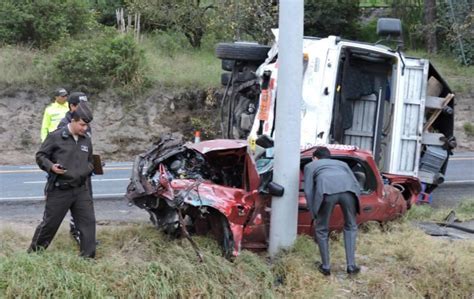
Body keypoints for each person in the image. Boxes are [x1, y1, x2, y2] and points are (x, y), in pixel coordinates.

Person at [28, 102, 96, 258]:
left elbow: (91, 161)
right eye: (82, 125)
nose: (84, 128)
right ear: (73, 120)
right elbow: (40, 156)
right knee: (49, 225)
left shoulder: (86, 139)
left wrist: (85, 171)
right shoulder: (56, 136)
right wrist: (51, 167)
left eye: (86, 126)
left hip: (80, 190)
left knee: (88, 224)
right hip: (59, 190)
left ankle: (88, 259)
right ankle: (33, 255)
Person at [304, 146, 361, 276]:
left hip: (326, 191)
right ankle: (351, 266)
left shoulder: (310, 166)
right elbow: (356, 183)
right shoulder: (342, 163)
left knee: (322, 229)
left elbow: (308, 190)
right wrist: (357, 202)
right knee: (351, 226)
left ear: (314, 158)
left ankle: (325, 267)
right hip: (349, 191)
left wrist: (313, 212)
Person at [57, 92, 92, 244]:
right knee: (66, 209)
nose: (85, 108)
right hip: (70, 175)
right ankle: (76, 233)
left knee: (86, 206)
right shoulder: (64, 125)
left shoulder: (85, 122)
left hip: (84, 172)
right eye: (80, 105)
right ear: (72, 106)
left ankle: (85, 237)